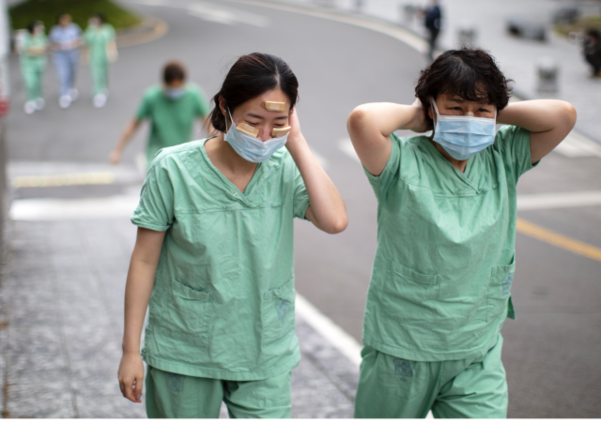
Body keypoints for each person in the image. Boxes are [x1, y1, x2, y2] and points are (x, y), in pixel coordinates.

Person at [347, 49, 576, 421]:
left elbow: (563, 116)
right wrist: (417, 115)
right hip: (404, 346)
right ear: (431, 109)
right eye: (455, 108)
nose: (470, 119)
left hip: (477, 349)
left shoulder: (503, 157)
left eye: (481, 111)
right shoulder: (401, 161)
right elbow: (362, 120)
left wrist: (495, 111)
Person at [117, 52, 348, 421]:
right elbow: (144, 260)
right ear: (225, 107)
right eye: (253, 121)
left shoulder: (284, 168)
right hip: (185, 349)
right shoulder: (173, 169)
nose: (263, 136)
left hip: (263, 349)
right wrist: (130, 351)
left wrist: (297, 142)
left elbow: (335, 220)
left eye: (278, 123)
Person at [110, 61, 210, 167]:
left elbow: (208, 123)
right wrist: (117, 150)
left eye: (178, 87)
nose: (175, 91)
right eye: (172, 87)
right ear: (164, 83)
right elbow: (134, 124)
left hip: (183, 155)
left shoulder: (194, 96)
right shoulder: (152, 97)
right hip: (157, 156)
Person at [84, 13, 117, 108]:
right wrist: (85, 56)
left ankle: (104, 88)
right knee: (96, 74)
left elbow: (111, 41)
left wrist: (113, 52)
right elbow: (87, 42)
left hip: (105, 55)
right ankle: (98, 93)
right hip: (94, 56)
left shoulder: (108, 29)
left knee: (104, 73)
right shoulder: (90, 30)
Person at [49, 13, 82, 109]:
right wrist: (60, 45)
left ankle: (71, 88)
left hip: (72, 55)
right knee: (63, 74)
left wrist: (71, 44)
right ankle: (64, 95)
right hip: (60, 56)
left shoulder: (74, 28)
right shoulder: (55, 30)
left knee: (72, 73)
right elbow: (50, 43)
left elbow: (80, 39)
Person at [19, 21, 48, 115]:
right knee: (30, 83)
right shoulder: (26, 38)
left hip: (39, 65)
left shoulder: (41, 37)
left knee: (38, 83)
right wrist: (36, 50)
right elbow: (27, 50)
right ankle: (30, 100)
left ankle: (38, 98)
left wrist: (34, 50)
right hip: (28, 65)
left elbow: (43, 48)